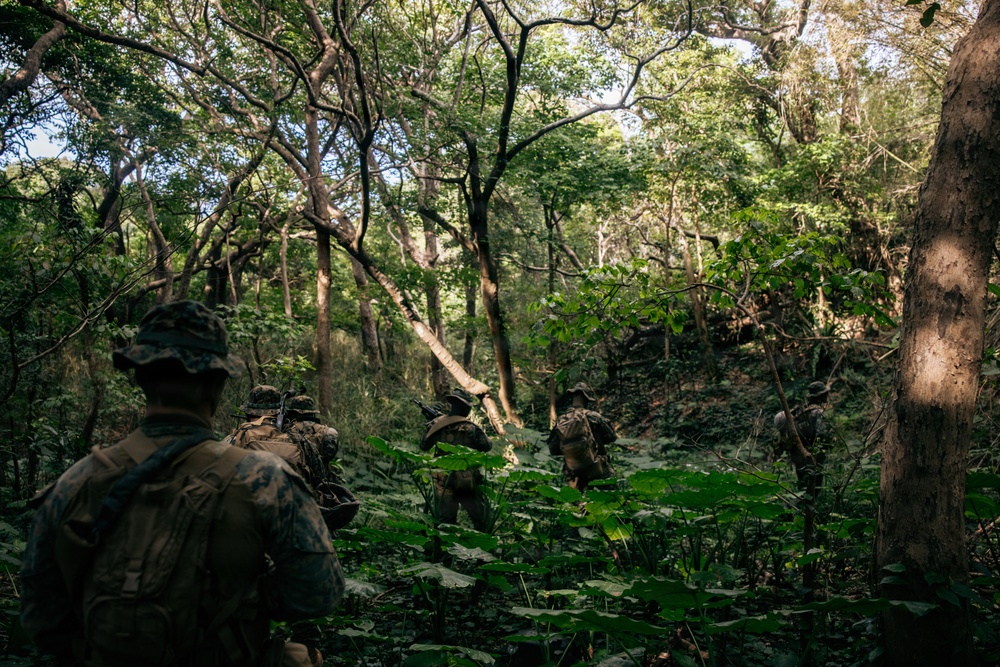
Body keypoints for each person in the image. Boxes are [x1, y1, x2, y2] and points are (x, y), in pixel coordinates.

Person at [19, 300, 343, 667]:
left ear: (141, 377)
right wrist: (241, 593)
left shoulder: (75, 482)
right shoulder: (265, 478)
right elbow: (319, 594)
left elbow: (41, 621)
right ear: (217, 383)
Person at [230, 388, 358, 533]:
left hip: (249, 522)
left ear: (248, 413)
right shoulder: (299, 440)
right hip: (294, 522)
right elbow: (319, 481)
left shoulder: (237, 437)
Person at [419, 389, 492, 531]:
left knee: (445, 523)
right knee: (482, 520)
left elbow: (423, 446)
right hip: (467, 480)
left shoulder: (437, 425)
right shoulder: (471, 428)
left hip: (443, 481)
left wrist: (432, 425)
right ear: (465, 408)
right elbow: (487, 446)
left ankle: (444, 545)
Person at [548, 382, 617, 492]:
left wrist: (573, 449)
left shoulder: (562, 420)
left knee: (577, 499)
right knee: (613, 495)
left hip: (573, 470)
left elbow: (553, 449)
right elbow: (611, 437)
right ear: (587, 399)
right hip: (596, 466)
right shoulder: (594, 416)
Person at [773, 380, 831, 491]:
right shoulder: (818, 412)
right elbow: (822, 433)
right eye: (825, 394)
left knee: (803, 482)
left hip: (798, 452)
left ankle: (802, 500)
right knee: (815, 484)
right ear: (820, 395)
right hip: (813, 453)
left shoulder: (800, 410)